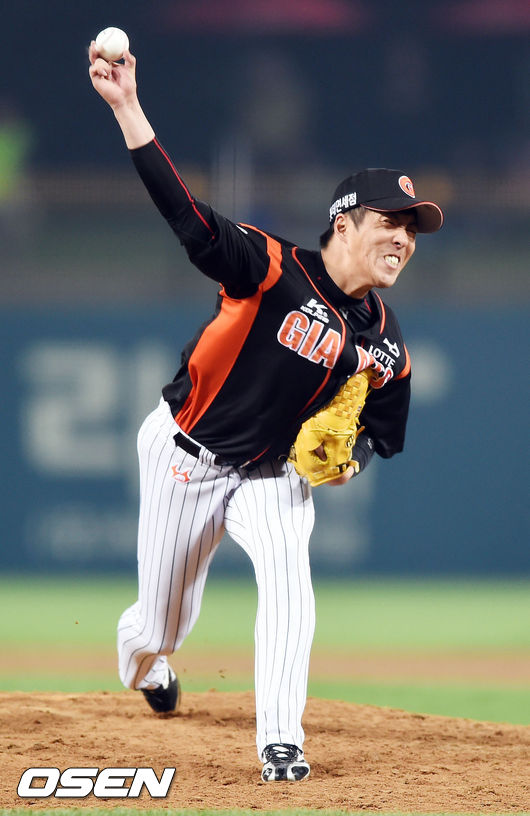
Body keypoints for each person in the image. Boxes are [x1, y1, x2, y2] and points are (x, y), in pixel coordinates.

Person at [88, 43, 443, 783]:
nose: (404, 239)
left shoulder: (387, 341)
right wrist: (127, 107)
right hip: (185, 454)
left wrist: (349, 461)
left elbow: (383, 432)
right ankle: (147, 664)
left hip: (273, 475)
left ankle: (282, 741)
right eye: (392, 221)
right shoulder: (270, 267)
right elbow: (185, 215)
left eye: (413, 229)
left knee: (290, 581)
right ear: (344, 224)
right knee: (161, 623)